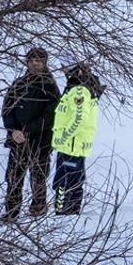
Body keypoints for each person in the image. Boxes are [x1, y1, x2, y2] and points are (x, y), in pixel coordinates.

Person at [0, 47, 60, 220]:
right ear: (27, 62)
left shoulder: (50, 87)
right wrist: (13, 130)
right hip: (17, 140)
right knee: (13, 178)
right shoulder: (19, 84)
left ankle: (38, 210)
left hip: (40, 141)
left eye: (39, 60)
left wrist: (26, 131)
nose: (35, 63)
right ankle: (12, 212)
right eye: (32, 60)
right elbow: (7, 109)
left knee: (38, 178)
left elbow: (50, 116)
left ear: (44, 63)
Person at [51, 62, 102, 215]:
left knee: (63, 182)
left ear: (78, 72)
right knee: (74, 181)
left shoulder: (79, 91)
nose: (66, 72)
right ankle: (71, 213)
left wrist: (64, 137)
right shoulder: (81, 90)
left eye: (68, 70)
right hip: (74, 146)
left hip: (70, 146)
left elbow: (79, 119)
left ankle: (63, 212)